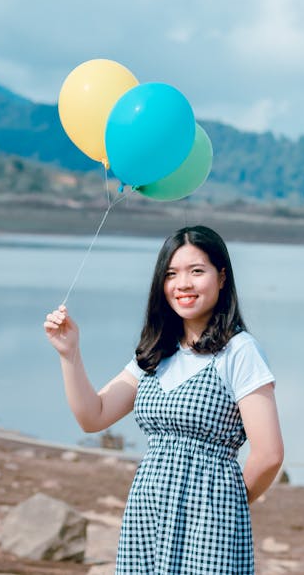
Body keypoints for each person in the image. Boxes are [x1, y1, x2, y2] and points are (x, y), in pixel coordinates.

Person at [43, 225, 284, 574]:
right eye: (171, 274)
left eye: (196, 271)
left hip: (211, 516)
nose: (182, 284)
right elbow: (92, 416)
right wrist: (69, 354)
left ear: (221, 277)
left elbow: (269, 454)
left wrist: (226, 503)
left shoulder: (240, 351)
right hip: (148, 511)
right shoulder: (157, 353)